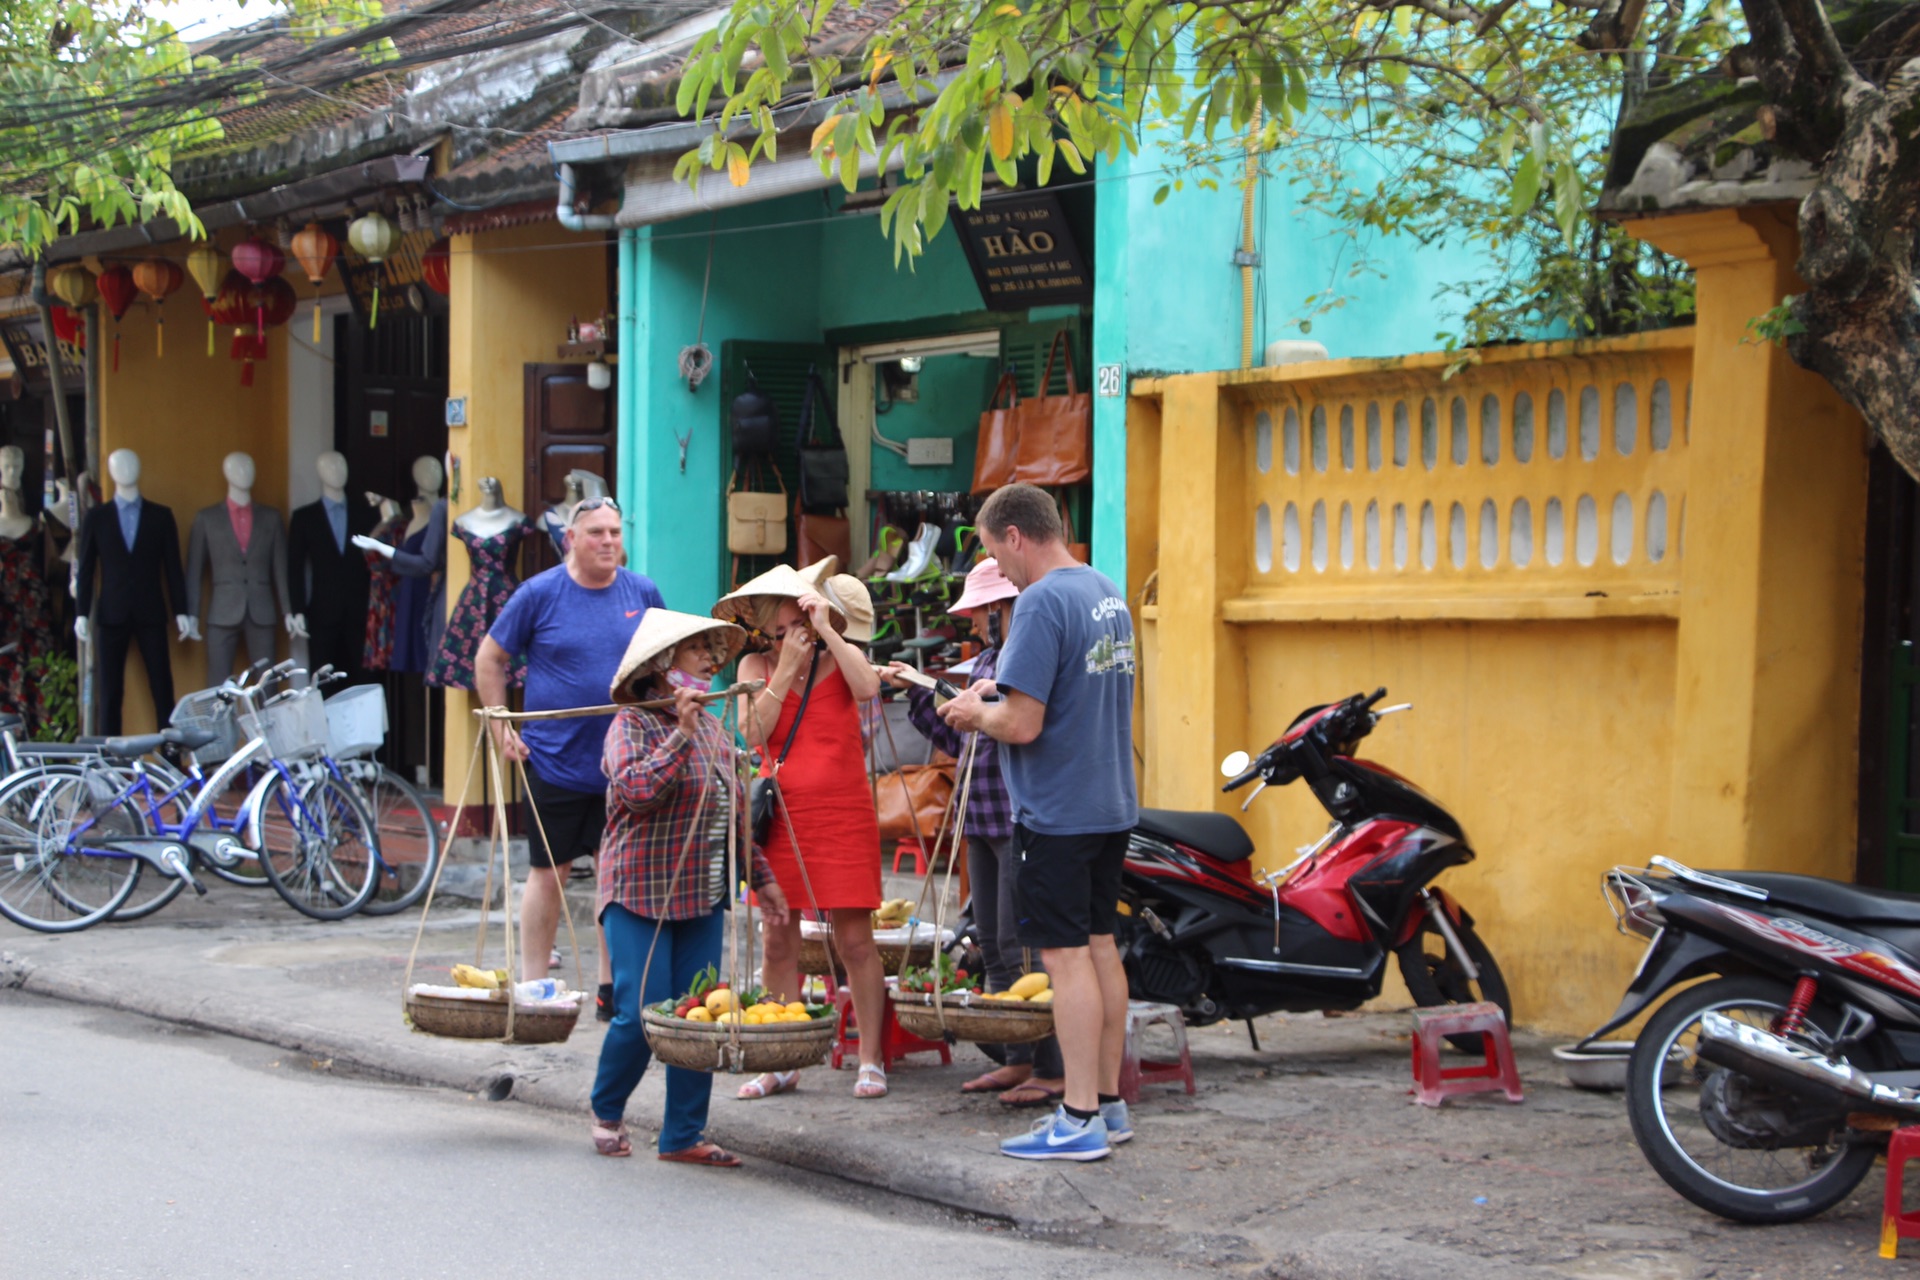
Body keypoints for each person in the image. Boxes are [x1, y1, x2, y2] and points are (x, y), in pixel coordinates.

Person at [939, 485, 1138, 1162]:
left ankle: (1077, 1115)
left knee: (1066, 960)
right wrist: (996, 691)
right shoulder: (1104, 590)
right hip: (1109, 800)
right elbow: (1070, 685)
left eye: (996, 552)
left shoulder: (1042, 601)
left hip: (1057, 810)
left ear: (1016, 536)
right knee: (1102, 947)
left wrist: (975, 715)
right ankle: (1109, 1105)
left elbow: (1022, 725)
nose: (1002, 566)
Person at [590, 608, 788, 1165]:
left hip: (701, 890)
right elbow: (636, 791)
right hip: (638, 890)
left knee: (697, 1016)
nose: (710, 660)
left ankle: (682, 1134)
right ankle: (606, 1109)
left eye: (711, 650)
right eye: (696, 649)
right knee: (641, 1011)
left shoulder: (716, 727)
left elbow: (728, 815)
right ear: (661, 664)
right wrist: (679, 733)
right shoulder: (631, 724)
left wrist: (762, 880)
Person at [882, 557, 1065, 1107]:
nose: (982, 620)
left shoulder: (1026, 661)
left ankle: (1051, 1066)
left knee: (1021, 943)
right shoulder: (986, 659)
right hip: (978, 816)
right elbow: (954, 732)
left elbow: (1023, 727)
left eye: (989, 610)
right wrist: (916, 690)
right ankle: (1017, 1059)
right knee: (991, 940)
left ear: (1008, 608)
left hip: (1017, 817)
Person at [475, 497, 664, 1014]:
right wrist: (500, 727)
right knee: (548, 872)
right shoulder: (538, 594)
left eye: (615, 532)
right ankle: (533, 985)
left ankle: (614, 989)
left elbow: (667, 661)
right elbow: (489, 658)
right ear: (572, 540)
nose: (608, 541)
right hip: (554, 759)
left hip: (625, 763)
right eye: (597, 532)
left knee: (616, 876)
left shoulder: (641, 591)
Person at [713, 563, 890, 1100]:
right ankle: (781, 1056)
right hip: (783, 816)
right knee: (777, 940)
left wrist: (830, 633)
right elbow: (750, 735)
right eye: (787, 608)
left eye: (804, 603)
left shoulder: (838, 655)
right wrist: (784, 669)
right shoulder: (752, 663)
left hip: (842, 811)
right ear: (767, 619)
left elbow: (868, 689)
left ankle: (871, 1059)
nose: (798, 613)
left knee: (856, 941)